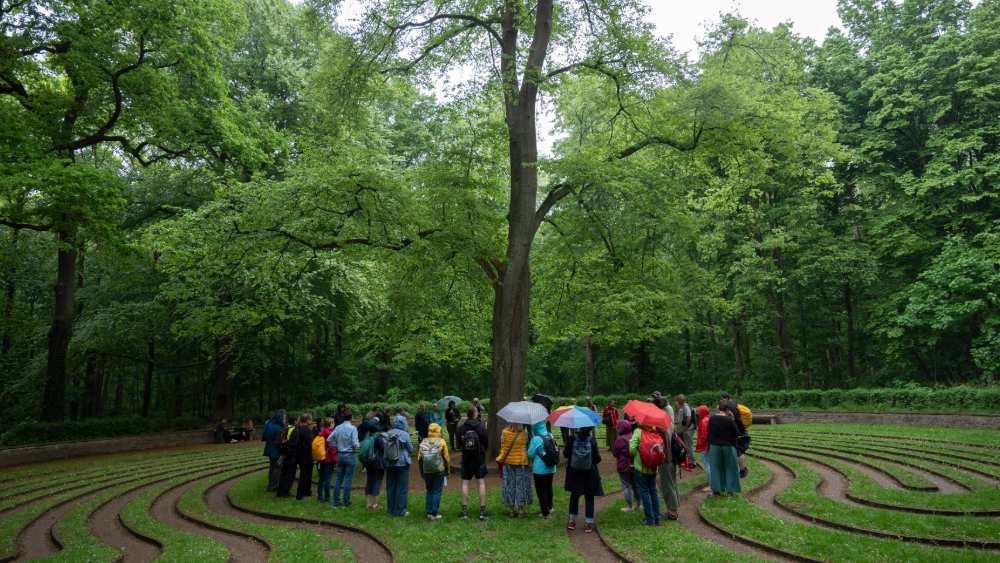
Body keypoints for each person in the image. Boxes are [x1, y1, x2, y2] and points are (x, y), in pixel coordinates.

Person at [563, 426, 604, 533]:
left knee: (574, 495)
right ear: (590, 429)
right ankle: (588, 523)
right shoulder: (592, 440)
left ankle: (572, 521)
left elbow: (566, 454)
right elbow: (597, 459)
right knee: (589, 497)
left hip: (574, 472)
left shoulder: (572, 438)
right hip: (589, 472)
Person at [458, 406, 489, 520]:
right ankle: (482, 512)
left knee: (465, 483)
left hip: (466, 459)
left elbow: (458, 444)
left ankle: (464, 512)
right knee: (481, 483)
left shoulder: (461, 428)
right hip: (479, 458)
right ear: (475, 414)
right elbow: (486, 442)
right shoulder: (481, 427)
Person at [629, 423, 663, 526]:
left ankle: (650, 520)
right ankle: (657, 517)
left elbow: (632, 450)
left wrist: (634, 457)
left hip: (641, 468)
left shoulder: (638, 432)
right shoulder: (655, 432)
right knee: (653, 492)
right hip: (653, 468)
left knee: (645, 492)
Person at [652, 393, 679, 520]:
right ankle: (673, 509)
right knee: (671, 483)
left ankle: (672, 512)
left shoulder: (661, 426)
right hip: (670, 457)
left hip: (666, 458)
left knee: (667, 485)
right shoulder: (667, 419)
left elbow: (662, 442)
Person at [496, 422, 532, 517]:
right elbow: (526, 446)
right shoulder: (524, 434)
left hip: (508, 462)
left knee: (509, 485)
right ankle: (520, 510)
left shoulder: (504, 433)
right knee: (521, 485)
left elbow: (503, 447)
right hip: (521, 463)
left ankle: (512, 510)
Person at [707, 401, 742, 495]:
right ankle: (731, 490)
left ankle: (717, 490)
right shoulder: (729, 420)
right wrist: (733, 419)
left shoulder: (712, 418)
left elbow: (709, 431)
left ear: (718, 409)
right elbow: (737, 433)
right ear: (727, 410)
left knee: (715, 468)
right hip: (728, 446)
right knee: (730, 467)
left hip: (714, 446)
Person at [417, 422, 450, 520]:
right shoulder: (441, 441)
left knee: (429, 490)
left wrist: (422, 472)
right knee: (437, 491)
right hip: (439, 469)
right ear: (438, 430)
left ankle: (428, 512)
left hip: (427, 470)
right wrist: (448, 470)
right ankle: (434, 513)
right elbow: (446, 457)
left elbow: (419, 458)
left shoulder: (423, 441)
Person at [526, 420, 557, 518]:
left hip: (540, 469)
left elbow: (530, 454)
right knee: (548, 487)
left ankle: (545, 512)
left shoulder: (536, 439)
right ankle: (550, 507)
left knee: (541, 490)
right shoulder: (550, 435)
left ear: (535, 427)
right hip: (551, 467)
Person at [384, 414, 413, 517]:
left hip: (389, 463)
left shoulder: (388, 433)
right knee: (402, 487)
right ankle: (400, 510)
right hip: (403, 464)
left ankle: (390, 509)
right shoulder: (405, 434)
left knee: (391, 486)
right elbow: (411, 449)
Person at [330, 409, 359, 507]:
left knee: (338, 479)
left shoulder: (338, 427)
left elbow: (329, 439)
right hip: (349, 454)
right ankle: (346, 501)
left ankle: (336, 501)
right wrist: (358, 445)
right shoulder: (353, 428)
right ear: (351, 417)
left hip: (340, 454)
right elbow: (355, 444)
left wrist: (336, 446)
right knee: (348, 479)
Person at [285, 413, 316, 500]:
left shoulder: (297, 428)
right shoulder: (305, 429)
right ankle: (300, 494)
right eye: (311, 419)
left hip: (300, 454)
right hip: (306, 455)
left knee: (306, 474)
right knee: (305, 475)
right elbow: (311, 442)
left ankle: (307, 491)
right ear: (308, 420)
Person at [610, 419, 637, 513]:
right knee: (635, 485)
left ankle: (630, 506)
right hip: (634, 464)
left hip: (623, 465)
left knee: (626, 486)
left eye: (618, 427)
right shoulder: (633, 436)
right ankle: (639, 504)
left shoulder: (620, 439)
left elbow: (614, 453)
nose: (617, 428)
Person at [360, 415, 385, 510]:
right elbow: (383, 449)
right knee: (377, 481)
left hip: (368, 462)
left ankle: (368, 503)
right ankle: (375, 504)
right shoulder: (378, 437)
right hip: (377, 462)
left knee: (369, 481)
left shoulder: (367, 436)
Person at [262, 410, 285, 492]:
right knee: (277, 468)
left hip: (269, 448)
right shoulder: (279, 428)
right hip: (276, 449)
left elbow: (264, 436)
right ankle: (274, 485)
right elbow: (282, 441)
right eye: (284, 417)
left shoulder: (269, 424)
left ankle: (271, 484)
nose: (284, 420)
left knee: (272, 468)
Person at [316, 417, 336, 502]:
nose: (334, 424)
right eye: (333, 423)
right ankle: (327, 496)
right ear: (330, 424)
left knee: (321, 477)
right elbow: (333, 448)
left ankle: (320, 495)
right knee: (328, 478)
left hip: (321, 457)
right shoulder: (331, 433)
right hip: (328, 458)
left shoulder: (321, 432)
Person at [675, 395, 695, 470]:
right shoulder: (681, 407)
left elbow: (689, 418)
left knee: (688, 445)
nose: (676, 402)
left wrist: (685, 428)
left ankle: (692, 462)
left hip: (687, 430)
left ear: (681, 400)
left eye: (677, 400)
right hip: (685, 429)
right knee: (685, 445)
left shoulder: (686, 407)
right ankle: (687, 460)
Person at [694, 404, 711, 482]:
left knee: (708, 465)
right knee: (710, 464)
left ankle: (712, 484)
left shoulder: (704, 421)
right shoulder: (708, 419)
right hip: (708, 445)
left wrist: (699, 446)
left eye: (698, 412)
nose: (697, 414)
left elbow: (704, 436)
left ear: (702, 412)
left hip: (705, 447)